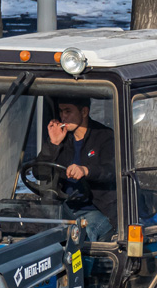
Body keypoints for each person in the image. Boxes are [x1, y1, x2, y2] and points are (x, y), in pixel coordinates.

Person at [38, 97, 116, 242]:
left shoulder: (105, 136)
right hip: (65, 209)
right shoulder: (62, 139)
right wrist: (53, 144)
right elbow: (40, 173)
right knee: (36, 233)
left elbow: (112, 171)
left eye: (68, 111)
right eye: (61, 111)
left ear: (84, 112)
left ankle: (84, 264)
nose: (63, 116)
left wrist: (86, 170)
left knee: (82, 236)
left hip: (99, 210)